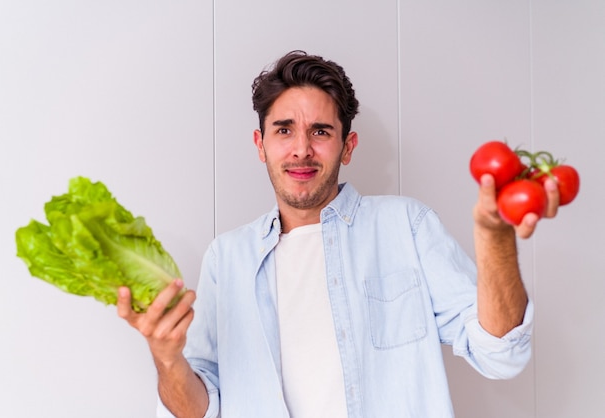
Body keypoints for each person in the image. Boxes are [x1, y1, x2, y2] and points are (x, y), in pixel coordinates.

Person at [117, 50, 559, 417]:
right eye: (284, 129)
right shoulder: (227, 258)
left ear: (347, 146)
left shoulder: (405, 226)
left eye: (321, 131)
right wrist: (166, 358)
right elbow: (198, 410)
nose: (301, 148)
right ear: (260, 144)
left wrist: (495, 238)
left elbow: (501, 355)